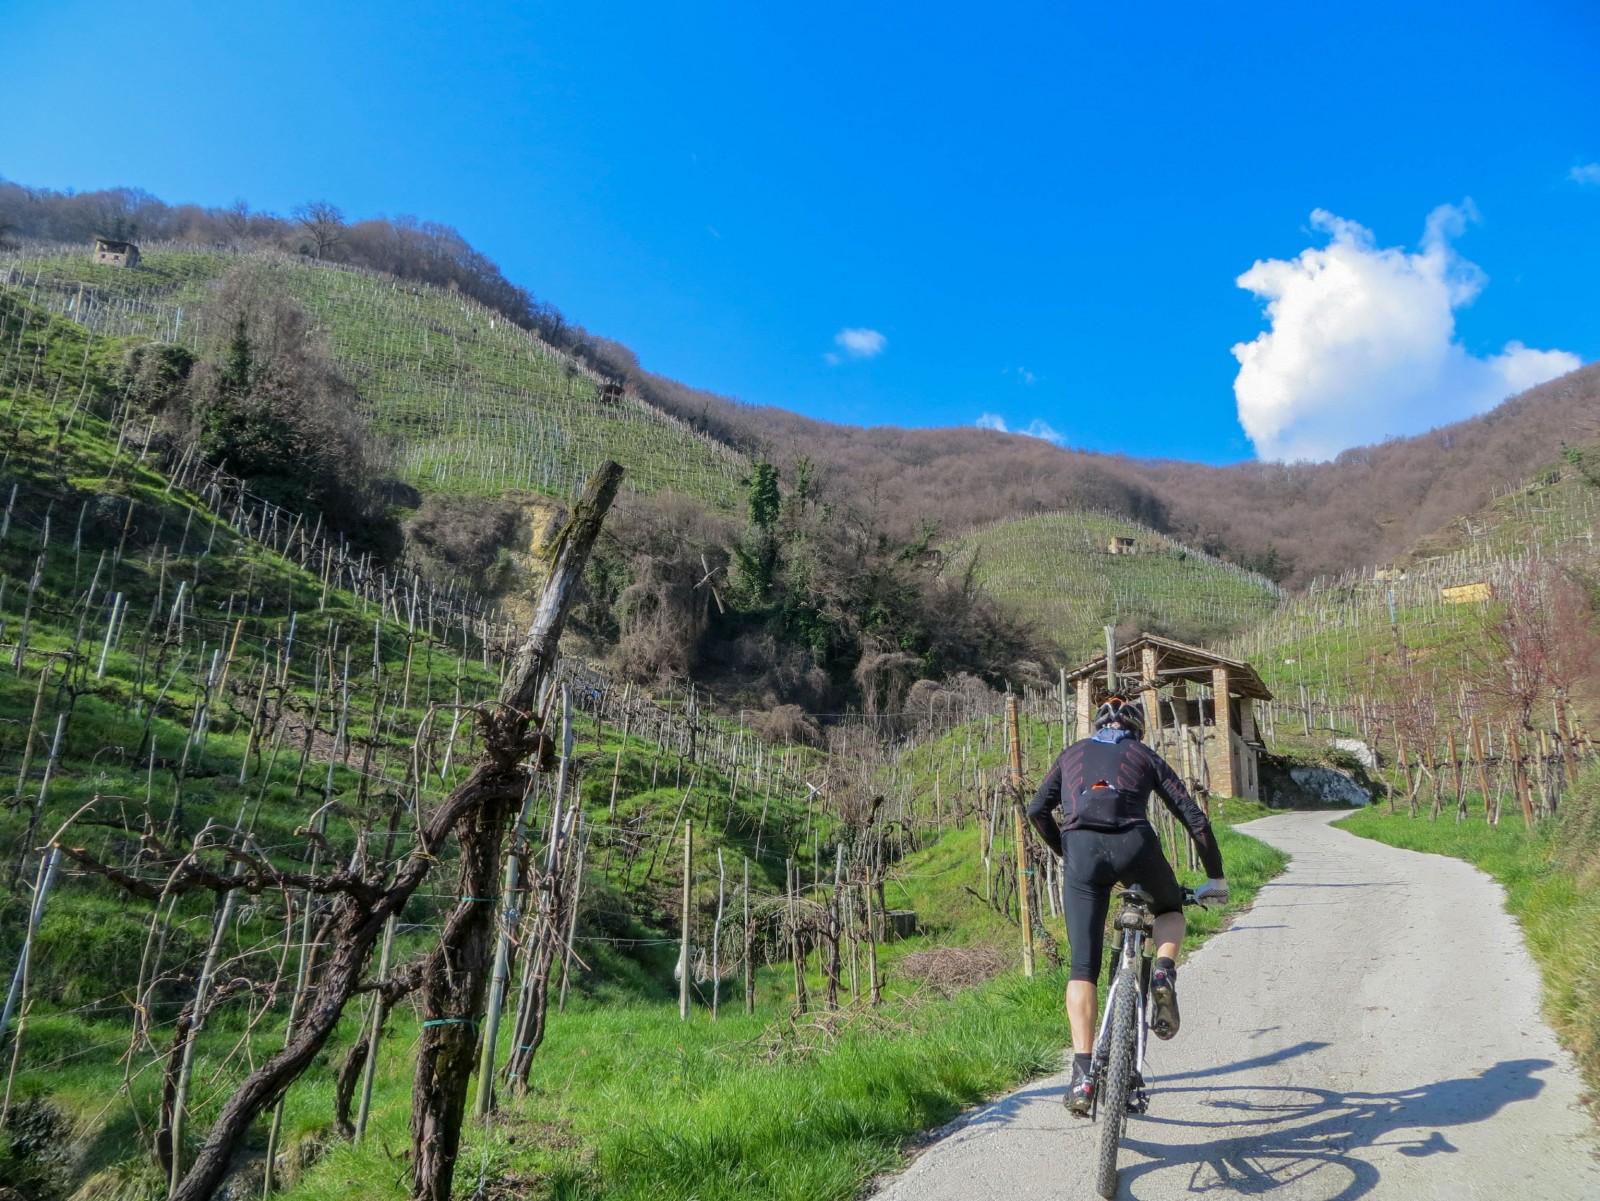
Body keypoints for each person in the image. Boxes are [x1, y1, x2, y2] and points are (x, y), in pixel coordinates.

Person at [1027, 695, 1228, 1115]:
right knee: (1170, 910)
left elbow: (1037, 810)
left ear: (1098, 726)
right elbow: (1194, 817)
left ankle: (1083, 1079)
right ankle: (1163, 971)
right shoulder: (1143, 754)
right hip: (1135, 844)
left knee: (1083, 967)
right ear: (1136, 729)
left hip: (1080, 848)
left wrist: (1066, 850)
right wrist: (1215, 878)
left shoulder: (1072, 754)